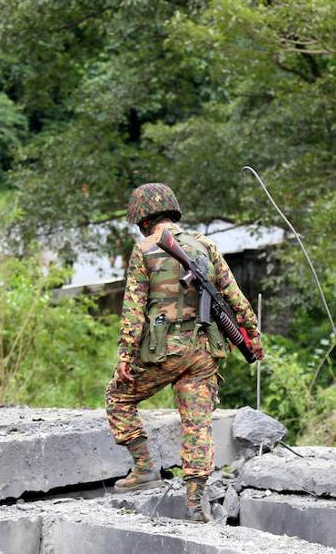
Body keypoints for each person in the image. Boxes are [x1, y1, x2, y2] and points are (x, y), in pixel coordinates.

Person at [104, 183, 264, 521]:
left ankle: (145, 468)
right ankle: (194, 504)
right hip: (205, 351)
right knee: (197, 424)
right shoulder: (205, 245)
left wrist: (125, 357)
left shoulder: (144, 249)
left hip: (166, 351)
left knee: (118, 398)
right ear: (173, 211)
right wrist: (253, 335)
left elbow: (133, 311)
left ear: (142, 219)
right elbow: (236, 297)